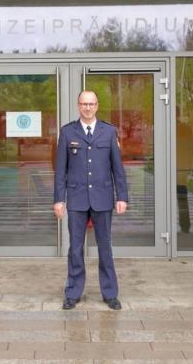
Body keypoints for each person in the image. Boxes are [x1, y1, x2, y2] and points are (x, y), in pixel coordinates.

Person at [53, 90, 128, 310]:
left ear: (97, 106)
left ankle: (110, 293)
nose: (87, 108)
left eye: (91, 104)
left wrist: (121, 196)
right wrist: (59, 199)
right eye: (84, 104)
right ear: (78, 106)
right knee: (75, 248)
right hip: (76, 198)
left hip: (103, 198)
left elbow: (117, 168)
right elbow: (60, 170)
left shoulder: (108, 131)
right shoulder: (67, 132)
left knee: (105, 248)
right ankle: (73, 292)